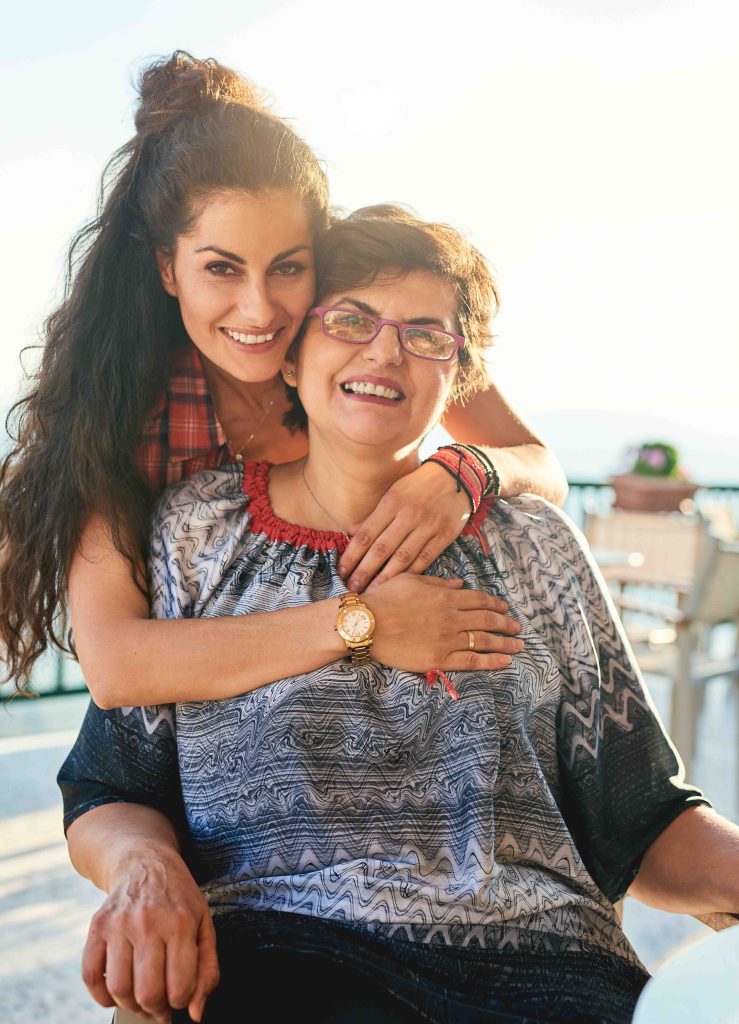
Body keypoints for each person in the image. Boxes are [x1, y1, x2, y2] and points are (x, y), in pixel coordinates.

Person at [58, 205, 739, 1024]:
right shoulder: (198, 533)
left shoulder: (534, 546)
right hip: (284, 956)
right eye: (350, 319)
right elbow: (107, 784)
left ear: (457, 377)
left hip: (542, 969)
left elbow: (642, 817)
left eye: (426, 334)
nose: (384, 350)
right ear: (291, 355)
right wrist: (142, 862)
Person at [0, 50, 567, 709]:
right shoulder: (124, 406)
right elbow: (118, 666)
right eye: (221, 269)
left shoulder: (365, 333)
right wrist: (366, 621)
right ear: (166, 268)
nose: (260, 309)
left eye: (288, 268)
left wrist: (461, 476)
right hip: (212, 719)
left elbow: (540, 466)